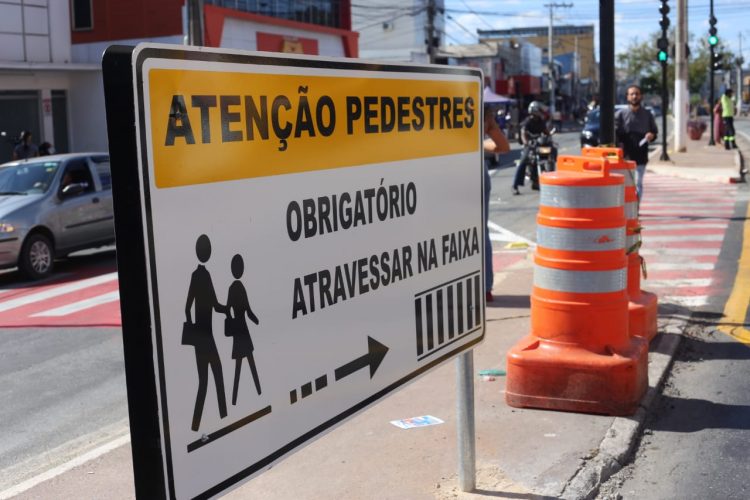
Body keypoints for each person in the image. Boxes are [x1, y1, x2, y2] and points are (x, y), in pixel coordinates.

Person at [185, 234, 228, 432]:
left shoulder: (196, 275)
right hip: (207, 337)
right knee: (217, 375)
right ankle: (223, 416)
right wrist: (228, 309)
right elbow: (216, 305)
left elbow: (188, 307)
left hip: (200, 337)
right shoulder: (205, 275)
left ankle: (195, 425)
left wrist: (192, 326)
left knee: (204, 380)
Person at [225, 254, 261, 405]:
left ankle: (236, 399)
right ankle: (257, 391)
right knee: (248, 365)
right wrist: (256, 320)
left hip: (239, 330)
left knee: (240, 367)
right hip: (243, 330)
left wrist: (232, 320)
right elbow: (248, 310)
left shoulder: (233, 288)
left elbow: (228, 309)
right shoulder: (239, 288)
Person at [483, 103, 511, 303]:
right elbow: (503, 147)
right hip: (478, 172)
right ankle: (485, 288)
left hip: (452, 171)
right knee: (480, 231)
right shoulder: (482, 112)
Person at [615, 85, 657, 200]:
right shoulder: (620, 115)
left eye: (637, 94)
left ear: (641, 96)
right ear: (627, 97)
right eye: (632, 94)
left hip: (640, 157)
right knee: (624, 185)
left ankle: (636, 207)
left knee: (638, 183)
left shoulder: (647, 115)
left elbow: (654, 132)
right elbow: (615, 134)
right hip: (625, 157)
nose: (634, 96)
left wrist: (651, 135)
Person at [513, 101, 550, 195]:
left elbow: (545, 131)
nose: (540, 112)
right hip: (530, 145)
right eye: (539, 110)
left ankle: (536, 182)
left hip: (539, 144)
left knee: (550, 153)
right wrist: (526, 143)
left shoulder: (540, 121)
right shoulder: (528, 121)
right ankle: (515, 185)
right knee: (523, 161)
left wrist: (549, 136)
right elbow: (523, 132)